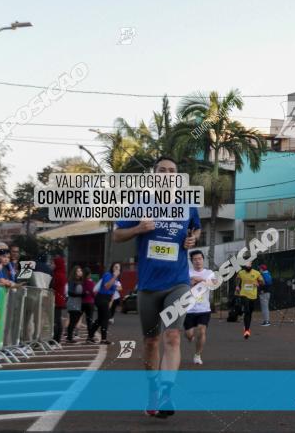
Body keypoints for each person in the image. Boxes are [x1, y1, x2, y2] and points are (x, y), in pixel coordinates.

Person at [112, 155, 200, 418]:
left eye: (172, 171)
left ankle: (166, 394)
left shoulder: (187, 206)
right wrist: (138, 228)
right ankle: (152, 390)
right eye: (161, 170)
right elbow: (117, 234)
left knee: (172, 336)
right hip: (149, 286)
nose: (167, 174)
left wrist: (191, 240)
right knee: (150, 341)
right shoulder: (140, 204)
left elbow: (196, 231)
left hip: (178, 282)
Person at [184, 250, 216, 365]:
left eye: (199, 259)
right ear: (191, 261)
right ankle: (189, 337)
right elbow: (184, 285)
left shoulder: (209, 273)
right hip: (188, 309)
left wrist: (199, 279)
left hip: (204, 309)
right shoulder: (186, 272)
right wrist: (193, 281)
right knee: (189, 334)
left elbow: (213, 285)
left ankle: (197, 355)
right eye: (195, 259)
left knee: (202, 331)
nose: (198, 261)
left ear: (203, 259)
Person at [88, 262, 120, 344]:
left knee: (100, 319)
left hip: (107, 299)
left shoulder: (116, 279)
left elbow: (113, 291)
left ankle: (90, 336)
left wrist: (110, 303)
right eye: (115, 267)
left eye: (118, 268)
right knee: (106, 317)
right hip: (101, 297)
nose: (117, 269)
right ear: (112, 267)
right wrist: (115, 276)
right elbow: (107, 286)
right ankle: (103, 339)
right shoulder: (108, 275)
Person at [235, 262, 263, 339]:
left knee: (250, 313)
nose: (247, 267)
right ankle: (246, 330)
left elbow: (262, 282)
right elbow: (237, 278)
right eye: (246, 266)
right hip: (244, 294)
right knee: (247, 310)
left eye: (249, 265)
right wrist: (237, 286)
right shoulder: (241, 272)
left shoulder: (256, 273)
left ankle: (247, 328)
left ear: (251, 265)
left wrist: (258, 283)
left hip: (253, 296)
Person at [65, 265, 86, 343]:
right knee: (73, 320)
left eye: (80, 271)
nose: (80, 272)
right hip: (73, 303)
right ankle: (69, 337)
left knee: (75, 320)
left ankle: (69, 336)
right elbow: (70, 293)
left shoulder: (82, 281)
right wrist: (82, 295)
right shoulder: (72, 281)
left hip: (79, 303)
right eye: (78, 271)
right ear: (75, 272)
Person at [52, 256, 67, 342]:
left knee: (56, 320)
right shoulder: (62, 273)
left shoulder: (57, 274)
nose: (52, 265)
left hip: (55, 299)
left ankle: (55, 338)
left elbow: (53, 286)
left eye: (53, 263)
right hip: (59, 299)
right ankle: (57, 339)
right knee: (58, 319)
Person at [81, 269, 96, 343]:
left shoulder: (81, 282)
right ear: (89, 274)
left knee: (76, 318)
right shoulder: (91, 283)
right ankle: (90, 337)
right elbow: (94, 293)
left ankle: (70, 335)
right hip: (90, 302)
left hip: (82, 302)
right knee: (89, 321)